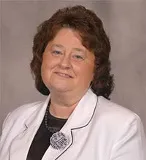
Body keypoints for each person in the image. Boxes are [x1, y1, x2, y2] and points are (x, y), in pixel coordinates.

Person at [0, 5, 145, 160]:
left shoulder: (122, 127)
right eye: (57, 52)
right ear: (41, 57)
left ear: (96, 68)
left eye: (77, 56)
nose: (64, 63)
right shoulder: (16, 119)